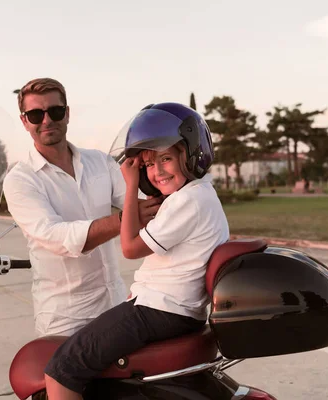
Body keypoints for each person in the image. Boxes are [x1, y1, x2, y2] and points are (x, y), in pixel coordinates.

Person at [43, 102, 230, 399]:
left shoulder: (188, 202)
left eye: (166, 158)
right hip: (168, 308)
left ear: (191, 154)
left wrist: (130, 185)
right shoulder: (197, 195)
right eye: (148, 165)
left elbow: (130, 247)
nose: (156, 172)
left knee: (60, 371)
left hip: (160, 311)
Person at [2, 78, 162, 336]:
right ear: (24, 121)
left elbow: (142, 200)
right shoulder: (21, 179)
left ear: (66, 114)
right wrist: (124, 219)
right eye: (35, 114)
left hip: (116, 305)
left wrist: (168, 174)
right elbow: (56, 237)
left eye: (54, 111)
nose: (46, 120)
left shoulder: (99, 161)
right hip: (65, 318)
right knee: (64, 376)